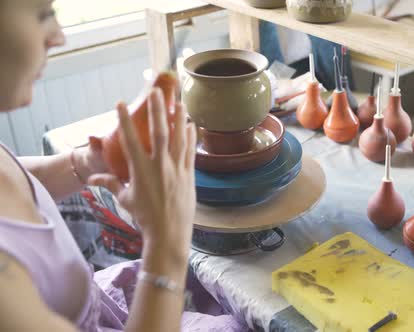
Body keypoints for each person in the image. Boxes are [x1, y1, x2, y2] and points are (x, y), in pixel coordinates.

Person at [0, 1, 246, 331]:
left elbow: (17, 177)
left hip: (99, 306)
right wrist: (167, 242)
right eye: (43, 14)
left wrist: (85, 163)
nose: (58, 36)